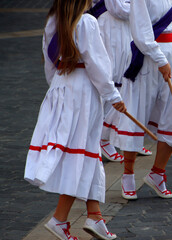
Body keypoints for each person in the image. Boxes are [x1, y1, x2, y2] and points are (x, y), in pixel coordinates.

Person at [23, 0, 125, 239]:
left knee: (87, 150)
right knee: (79, 152)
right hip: (83, 90)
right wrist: (112, 95)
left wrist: (59, 88)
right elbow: (97, 64)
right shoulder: (87, 22)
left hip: (61, 86)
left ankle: (95, 215)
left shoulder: (53, 21)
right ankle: (59, 219)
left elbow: (49, 63)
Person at [103, 0, 172, 200]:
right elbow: (140, 31)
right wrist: (160, 59)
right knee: (137, 112)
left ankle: (157, 173)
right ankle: (128, 174)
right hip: (148, 58)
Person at [88, 0, 152, 164]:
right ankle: (103, 139)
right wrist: (145, 9)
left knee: (127, 78)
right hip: (110, 26)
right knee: (113, 78)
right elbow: (117, 8)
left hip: (126, 26)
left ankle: (127, 138)